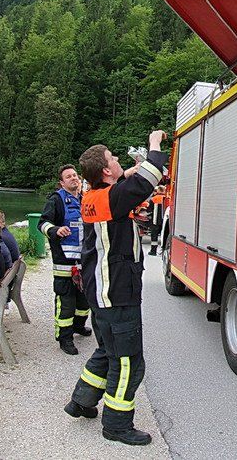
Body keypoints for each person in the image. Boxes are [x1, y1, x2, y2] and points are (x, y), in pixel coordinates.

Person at [64, 130, 167, 447]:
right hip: (117, 294)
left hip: (101, 293)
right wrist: (154, 144)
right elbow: (149, 177)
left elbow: (125, 185)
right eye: (113, 158)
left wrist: (129, 171)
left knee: (108, 351)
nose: (118, 159)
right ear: (106, 171)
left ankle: (81, 401)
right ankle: (117, 425)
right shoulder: (111, 198)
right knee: (128, 362)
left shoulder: (95, 196)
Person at [39, 164, 92, 355]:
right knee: (66, 302)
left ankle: (79, 325)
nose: (73, 178)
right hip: (64, 262)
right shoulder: (56, 200)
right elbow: (42, 223)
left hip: (85, 260)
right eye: (68, 176)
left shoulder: (85, 199)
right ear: (62, 183)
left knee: (84, 300)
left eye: (75, 175)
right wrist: (55, 229)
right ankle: (65, 338)